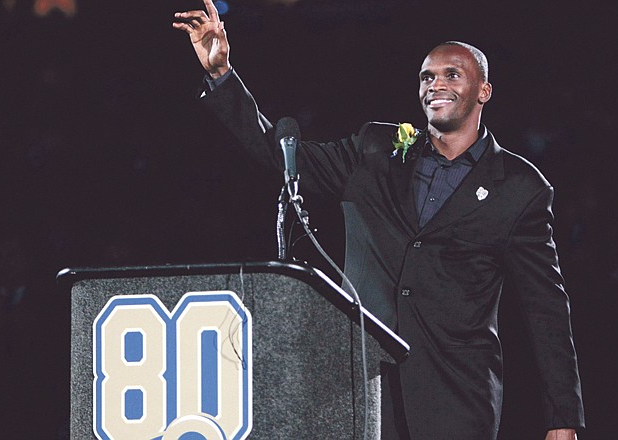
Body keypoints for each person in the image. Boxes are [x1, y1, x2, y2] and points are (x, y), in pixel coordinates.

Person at [173, 1, 585, 439]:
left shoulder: (520, 188)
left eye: (452, 75)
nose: (436, 84)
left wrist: (562, 417)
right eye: (427, 76)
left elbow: (546, 309)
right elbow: (282, 156)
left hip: (456, 396)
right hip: (363, 386)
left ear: (483, 91)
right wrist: (222, 74)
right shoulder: (374, 150)